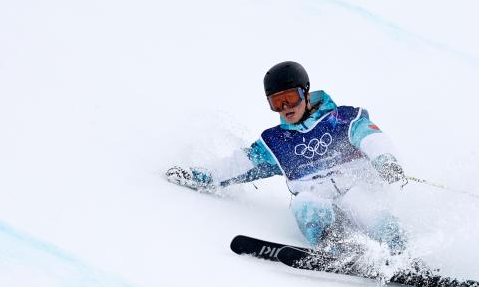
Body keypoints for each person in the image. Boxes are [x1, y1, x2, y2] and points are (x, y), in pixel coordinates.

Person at [167, 61, 408, 254]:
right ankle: (337, 247)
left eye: (290, 98)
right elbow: (238, 165)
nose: (285, 108)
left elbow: (371, 137)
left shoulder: (342, 120)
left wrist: (385, 160)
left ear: (305, 91)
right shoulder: (277, 142)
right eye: (276, 102)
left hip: (363, 196)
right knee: (303, 203)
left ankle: (399, 251)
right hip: (330, 213)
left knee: (357, 200)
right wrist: (198, 176)